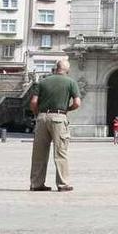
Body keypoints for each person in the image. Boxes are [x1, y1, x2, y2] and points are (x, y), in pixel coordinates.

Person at [29, 59, 81, 192]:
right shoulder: (70, 82)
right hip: (59, 117)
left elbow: (34, 102)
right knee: (60, 152)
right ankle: (63, 184)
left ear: (55, 68)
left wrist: (37, 114)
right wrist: (66, 110)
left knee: (39, 153)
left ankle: (36, 184)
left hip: (41, 118)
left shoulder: (42, 81)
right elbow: (77, 103)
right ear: (67, 70)